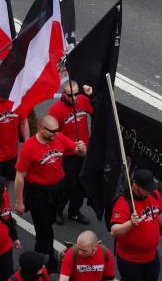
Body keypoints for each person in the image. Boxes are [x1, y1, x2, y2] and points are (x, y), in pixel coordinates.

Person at [15, 115, 87, 273]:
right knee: (45, 230)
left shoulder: (59, 138)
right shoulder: (29, 147)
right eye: (52, 131)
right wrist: (19, 202)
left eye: (57, 131)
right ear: (41, 129)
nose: (56, 134)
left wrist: (81, 148)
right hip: (38, 193)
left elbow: (77, 151)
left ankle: (38, 254)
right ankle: (48, 264)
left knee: (48, 224)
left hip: (57, 190)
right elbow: (20, 176)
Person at [109, 169, 162, 281]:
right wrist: (130, 223)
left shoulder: (154, 194)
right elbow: (114, 231)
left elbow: (160, 212)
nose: (149, 191)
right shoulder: (123, 202)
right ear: (135, 185)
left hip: (151, 256)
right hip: (131, 261)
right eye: (146, 189)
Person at [47, 81, 94, 225]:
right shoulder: (55, 110)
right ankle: (58, 210)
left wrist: (93, 96)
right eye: (70, 95)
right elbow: (52, 135)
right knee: (67, 185)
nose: (74, 98)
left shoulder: (83, 101)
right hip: (68, 154)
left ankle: (74, 211)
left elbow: (97, 113)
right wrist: (71, 146)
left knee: (81, 185)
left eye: (76, 94)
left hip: (85, 150)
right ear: (63, 94)